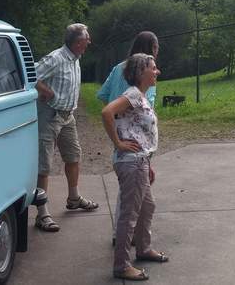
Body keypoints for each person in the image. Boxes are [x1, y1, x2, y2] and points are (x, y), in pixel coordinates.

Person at [102, 53, 168, 281]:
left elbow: (139, 131)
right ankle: (121, 265)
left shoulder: (141, 95)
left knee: (147, 207)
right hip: (131, 164)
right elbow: (107, 111)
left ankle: (143, 248)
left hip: (140, 161)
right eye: (153, 67)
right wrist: (118, 143)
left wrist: (147, 161)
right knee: (129, 216)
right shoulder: (132, 94)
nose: (157, 71)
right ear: (141, 72)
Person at [33, 23, 98, 233]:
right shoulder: (56, 58)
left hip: (67, 116)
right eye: (86, 39)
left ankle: (74, 198)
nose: (89, 42)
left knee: (73, 156)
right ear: (78, 42)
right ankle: (42, 214)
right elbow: (31, 74)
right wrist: (46, 91)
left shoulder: (75, 59)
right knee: (44, 164)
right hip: (50, 115)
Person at [97, 31, 159, 246]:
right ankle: (124, 238)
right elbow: (142, 111)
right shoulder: (143, 79)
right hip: (134, 145)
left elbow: (103, 96)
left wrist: (117, 123)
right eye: (156, 48)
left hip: (122, 137)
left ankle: (131, 237)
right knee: (132, 193)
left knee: (133, 191)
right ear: (151, 48)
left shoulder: (118, 68)